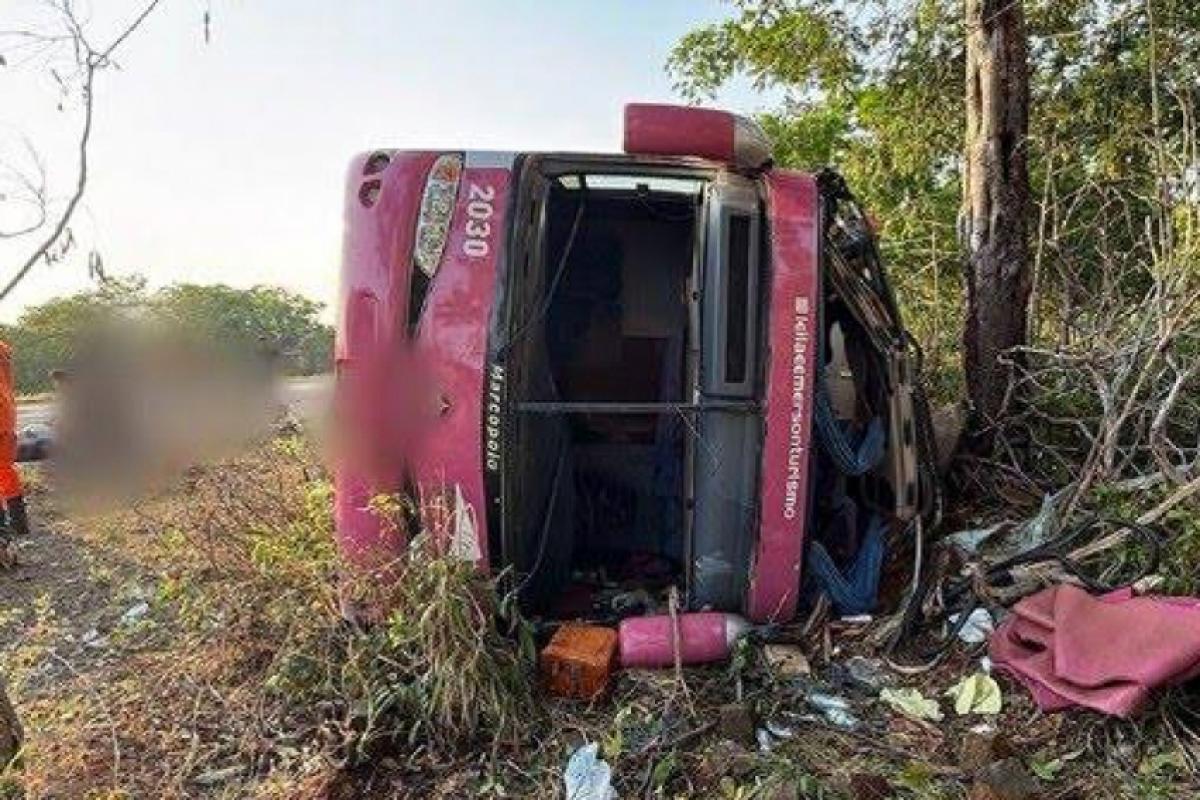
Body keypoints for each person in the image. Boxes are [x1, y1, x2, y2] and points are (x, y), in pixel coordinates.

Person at [0, 342, 29, 537]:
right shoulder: (3, 349)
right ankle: (19, 526)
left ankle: (5, 529)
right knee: (5, 470)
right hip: (6, 417)